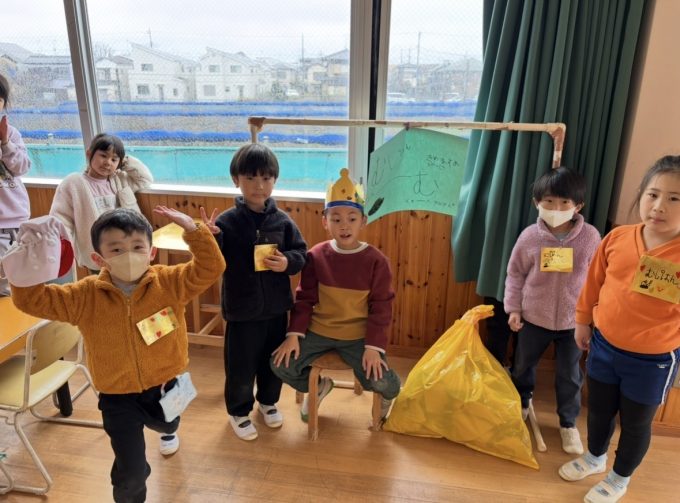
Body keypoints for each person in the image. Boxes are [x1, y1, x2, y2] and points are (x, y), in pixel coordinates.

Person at [10, 206, 226, 503]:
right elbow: (32, 300)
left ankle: (167, 431)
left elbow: (211, 268)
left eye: (137, 247)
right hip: (116, 397)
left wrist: (194, 230)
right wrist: (28, 259)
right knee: (131, 473)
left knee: (168, 423)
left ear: (151, 252)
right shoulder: (84, 296)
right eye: (116, 249)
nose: (129, 255)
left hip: (164, 384)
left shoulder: (169, 282)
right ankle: (131, 489)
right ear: (99, 258)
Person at [559, 156, 680, 503]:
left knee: (636, 423)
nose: (659, 206)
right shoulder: (618, 238)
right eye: (653, 194)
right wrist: (582, 320)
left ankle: (619, 477)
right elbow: (593, 283)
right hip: (604, 346)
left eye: (675, 198)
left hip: (653, 361)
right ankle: (595, 458)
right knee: (598, 411)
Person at [271, 168, 401, 424]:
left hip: (358, 337)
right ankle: (319, 386)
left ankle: (388, 397)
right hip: (319, 331)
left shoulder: (376, 261)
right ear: (325, 222)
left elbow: (382, 307)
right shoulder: (316, 255)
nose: (344, 225)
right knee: (280, 364)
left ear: (363, 222)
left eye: (352, 218)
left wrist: (373, 348)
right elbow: (304, 299)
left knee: (382, 381)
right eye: (336, 218)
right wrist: (293, 334)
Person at [206, 143, 306, 441]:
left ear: (275, 180)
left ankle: (268, 402)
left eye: (266, 178)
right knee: (240, 366)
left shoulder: (283, 221)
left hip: (276, 310)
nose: (258, 185)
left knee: (274, 363)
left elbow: (301, 254)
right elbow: (212, 261)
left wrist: (287, 262)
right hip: (242, 311)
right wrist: (208, 238)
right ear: (236, 180)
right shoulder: (226, 222)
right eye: (250, 178)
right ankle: (238, 412)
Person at [504, 166, 601, 454]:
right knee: (523, 366)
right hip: (533, 317)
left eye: (564, 202)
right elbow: (515, 274)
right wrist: (514, 309)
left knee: (570, 375)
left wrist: (591, 316)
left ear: (578, 206)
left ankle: (568, 424)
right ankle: (522, 403)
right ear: (537, 202)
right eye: (548, 201)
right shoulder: (529, 237)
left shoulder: (590, 237)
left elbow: (598, 279)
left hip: (574, 322)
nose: (556, 208)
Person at [50, 133, 153, 273]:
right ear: (89, 154)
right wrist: (61, 248)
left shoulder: (120, 179)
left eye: (114, 159)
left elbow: (145, 179)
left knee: (130, 283)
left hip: (126, 251)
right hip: (97, 255)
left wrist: (124, 160)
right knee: (100, 284)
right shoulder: (74, 183)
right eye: (103, 156)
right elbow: (61, 219)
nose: (108, 162)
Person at [0, 72, 32, 296]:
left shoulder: (11, 133)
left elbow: (22, 167)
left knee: (18, 279)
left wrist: (5, 143)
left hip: (16, 218)